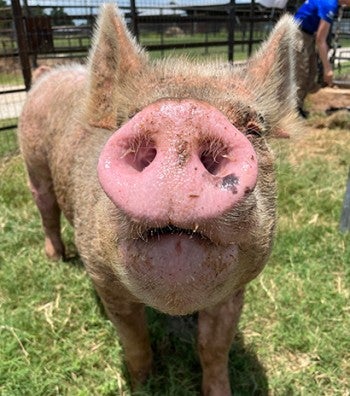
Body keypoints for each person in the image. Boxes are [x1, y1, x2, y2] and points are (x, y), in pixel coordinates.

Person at [294, 0, 350, 117]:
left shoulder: (331, 3)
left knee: (311, 73)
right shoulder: (329, 5)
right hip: (298, 33)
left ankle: (298, 107)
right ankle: (293, 111)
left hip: (308, 34)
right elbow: (321, 39)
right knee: (301, 72)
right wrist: (327, 68)